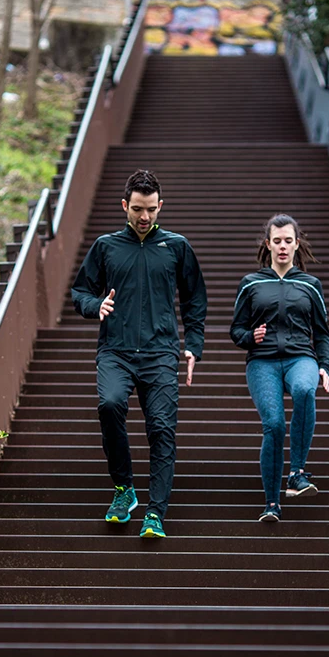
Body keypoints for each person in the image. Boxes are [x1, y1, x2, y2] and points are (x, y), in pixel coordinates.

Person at [71, 169, 207, 538]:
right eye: (136, 209)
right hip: (115, 350)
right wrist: (95, 305)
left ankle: (155, 512)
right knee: (110, 404)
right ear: (124, 207)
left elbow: (195, 299)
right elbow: (80, 292)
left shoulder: (177, 247)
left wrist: (193, 344)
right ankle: (124, 488)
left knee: (161, 428)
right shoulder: (106, 246)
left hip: (161, 352)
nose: (144, 217)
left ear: (160, 206)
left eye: (150, 209)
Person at [229, 214, 329, 522]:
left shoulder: (311, 285)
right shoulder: (251, 283)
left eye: (289, 240)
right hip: (262, 362)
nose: (283, 246)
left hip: (301, 356)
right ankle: (272, 503)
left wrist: (324, 365)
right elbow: (236, 331)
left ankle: (297, 473)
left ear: (297, 244)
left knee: (304, 389)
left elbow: (322, 333)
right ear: (268, 244)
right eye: (277, 241)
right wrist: (251, 337)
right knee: (273, 425)